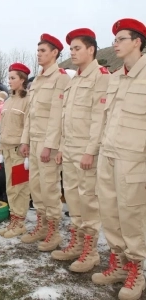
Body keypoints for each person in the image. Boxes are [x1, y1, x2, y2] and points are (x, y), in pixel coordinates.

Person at [91, 19, 146, 300]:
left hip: (135, 160)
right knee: (110, 213)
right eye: (115, 39)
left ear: (137, 41)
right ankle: (120, 264)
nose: (116, 43)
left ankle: (138, 268)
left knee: (132, 215)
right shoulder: (114, 77)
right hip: (109, 155)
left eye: (121, 38)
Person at [50, 29, 110, 273]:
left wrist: (90, 151)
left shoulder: (102, 77)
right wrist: (62, 147)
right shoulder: (75, 79)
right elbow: (66, 118)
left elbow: (99, 118)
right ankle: (77, 243)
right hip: (71, 149)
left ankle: (91, 251)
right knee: (73, 198)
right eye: (71, 49)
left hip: (87, 151)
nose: (72, 52)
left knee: (88, 201)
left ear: (91, 50)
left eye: (77, 48)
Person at [19, 34, 70, 251]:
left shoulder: (61, 78)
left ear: (55, 53)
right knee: (36, 187)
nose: (38, 54)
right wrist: (25, 140)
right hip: (35, 141)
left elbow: (58, 116)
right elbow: (30, 114)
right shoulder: (38, 80)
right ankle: (41, 225)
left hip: (49, 143)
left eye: (43, 51)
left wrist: (50, 145)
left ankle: (53, 231)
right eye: (38, 50)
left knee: (50, 188)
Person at [0, 63, 31, 239]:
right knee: (10, 187)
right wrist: (1, 148)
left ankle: (20, 222)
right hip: (8, 150)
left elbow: (28, 126)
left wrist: (26, 146)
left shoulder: (28, 100)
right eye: (9, 77)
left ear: (22, 79)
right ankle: (14, 218)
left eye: (13, 78)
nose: (9, 81)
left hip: (19, 150)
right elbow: (3, 128)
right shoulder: (8, 101)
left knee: (20, 187)